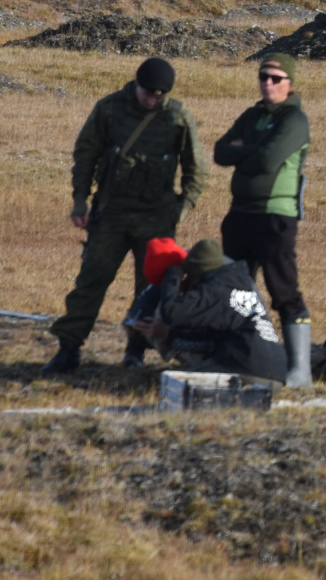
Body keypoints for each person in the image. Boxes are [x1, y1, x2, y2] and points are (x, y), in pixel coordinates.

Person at [44, 56, 204, 376]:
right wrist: (80, 201)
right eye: (148, 93)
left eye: (159, 95)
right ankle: (68, 348)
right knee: (90, 281)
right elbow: (85, 153)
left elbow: (196, 172)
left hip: (157, 219)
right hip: (110, 215)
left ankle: (136, 350)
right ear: (137, 84)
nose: (152, 99)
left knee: (149, 290)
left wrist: (180, 211)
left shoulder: (177, 118)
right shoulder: (109, 109)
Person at [212, 51, 312, 385]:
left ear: (290, 84)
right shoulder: (252, 115)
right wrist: (251, 148)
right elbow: (220, 152)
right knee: (236, 291)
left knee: (283, 291)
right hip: (239, 214)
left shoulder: (294, 121)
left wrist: (245, 149)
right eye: (263, 77)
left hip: (275, 218)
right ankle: (246, 357)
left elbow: (269, 161)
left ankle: (299, 370)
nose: (267, 84)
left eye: (275, 79)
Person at [140, 238, 286, 378]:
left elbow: (170, 311)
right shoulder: (237, 281)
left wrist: (173, 274)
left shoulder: (214, 292)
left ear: (197, 275)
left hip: (246, 368)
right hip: (275, 369)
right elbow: (209, 341)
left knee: (173, 384)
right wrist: (170, 336)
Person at [117, 236, 189, 366]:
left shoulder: (202, 270)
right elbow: (142, 307)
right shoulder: (157, 287)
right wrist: (135, 323)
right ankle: (134, 353)